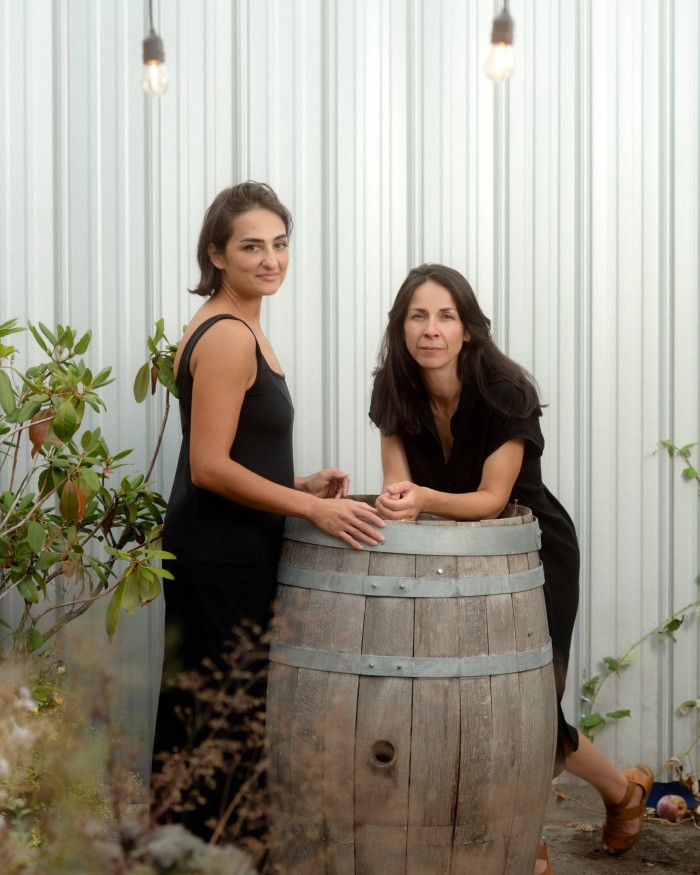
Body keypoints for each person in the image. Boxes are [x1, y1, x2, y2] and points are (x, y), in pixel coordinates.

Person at [368, 263, 653, 875]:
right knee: (473, 708)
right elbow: (398, 486)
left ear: (468, 328)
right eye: (418, 315)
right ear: (401, 327)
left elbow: (493, 499)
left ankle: (527, 847)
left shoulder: (505, 391)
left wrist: (417, 498)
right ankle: (623, 795)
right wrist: (397, 500)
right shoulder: (391, 388)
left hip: (531, 558)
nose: (431, 329)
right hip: (446, 563)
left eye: (446, 316)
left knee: (525, 713)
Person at [151, 181, 385, 842]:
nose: (270, 258)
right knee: (216, 719)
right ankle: (203, 853)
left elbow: (234, 453)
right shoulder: (227, 335)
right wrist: (314, 509)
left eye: (279, 243)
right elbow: (209, 466)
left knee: (217, 713)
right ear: (217, 254)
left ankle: (200, 852)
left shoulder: (244, 323)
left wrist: (301, 482)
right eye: (251, 245)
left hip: (231, 548)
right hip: (218, 556)